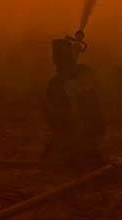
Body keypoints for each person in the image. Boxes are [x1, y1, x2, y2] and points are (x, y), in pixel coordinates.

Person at [43, 34, 105, 168]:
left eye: (59, 56)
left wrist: (72, 86)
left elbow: (88, 93)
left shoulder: (84, 73)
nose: (55, 60)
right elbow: (51, 114)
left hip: (87, 131)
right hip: (67, 133)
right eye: (56, 56)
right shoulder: (54, 84)